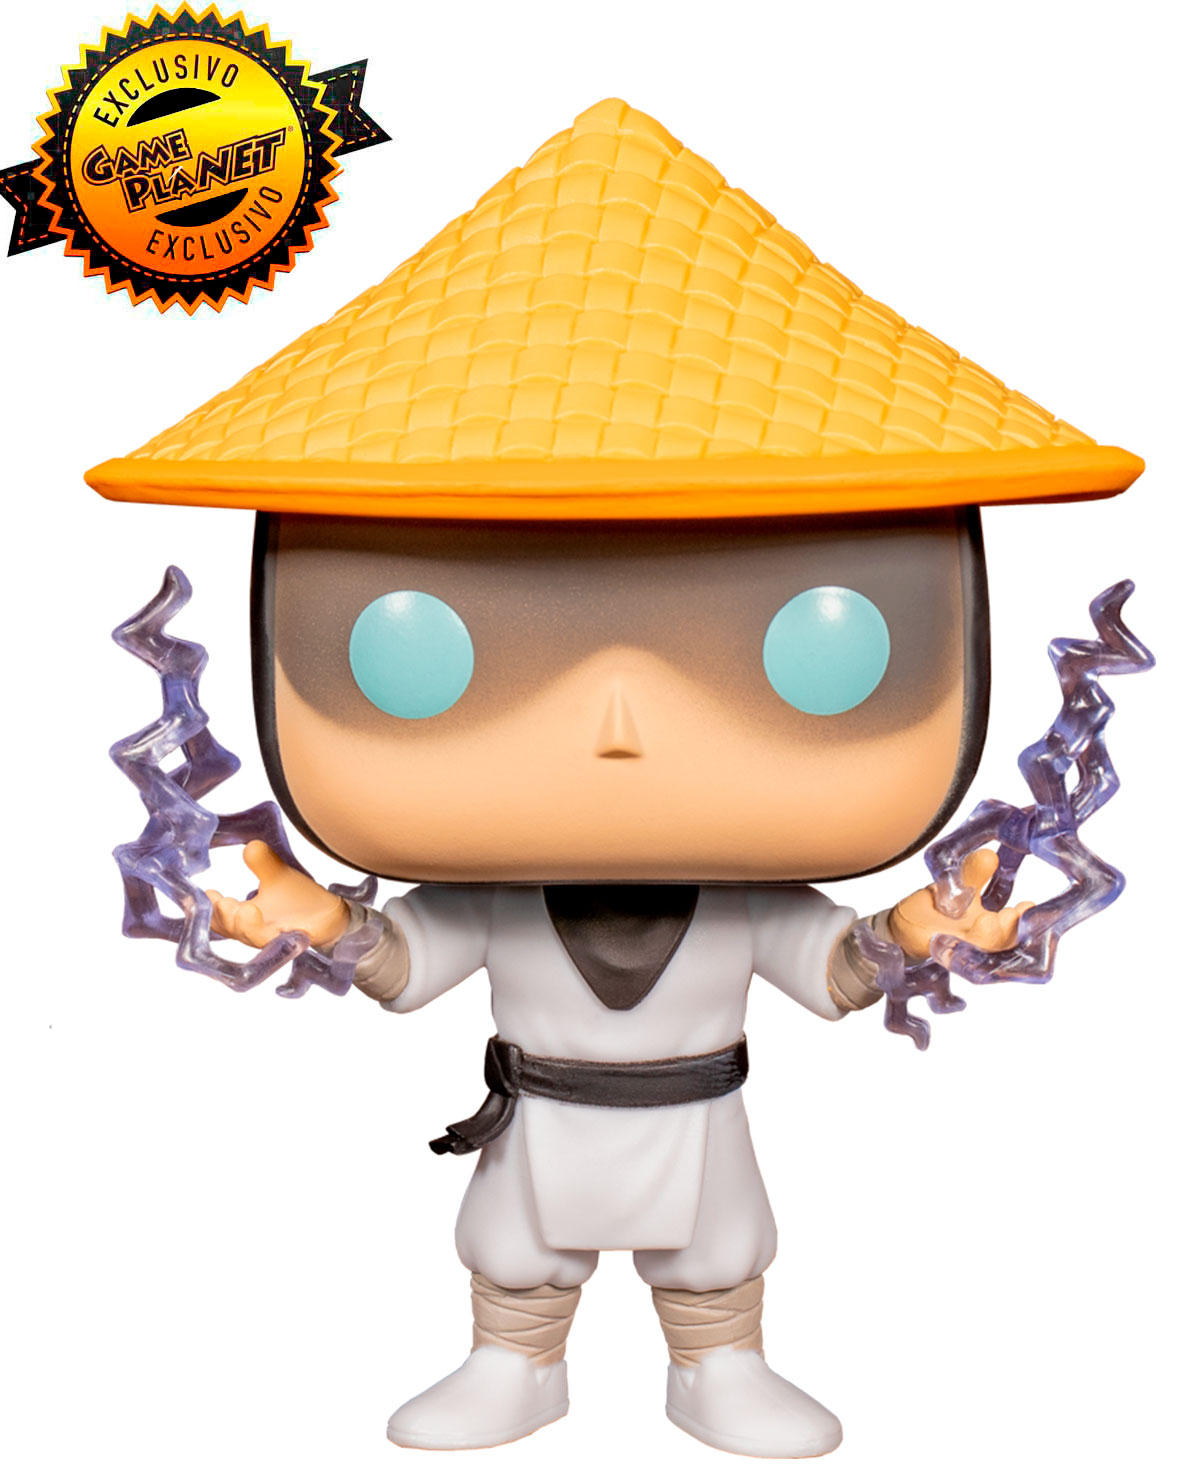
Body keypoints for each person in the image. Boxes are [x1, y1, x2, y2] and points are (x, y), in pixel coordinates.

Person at [88, 99, 1141, 1457]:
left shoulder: (751, 898)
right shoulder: (489, 894)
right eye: (418, 655)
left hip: (698, 1114)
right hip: (544, 1117)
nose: (620, 725)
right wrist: (321, 922)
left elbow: (834, 971)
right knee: (517, 1252)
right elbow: (406, 967)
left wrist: (920, 930)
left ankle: (718, 1366)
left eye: (821, 651)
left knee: (717, 1253)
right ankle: (516, 1362)